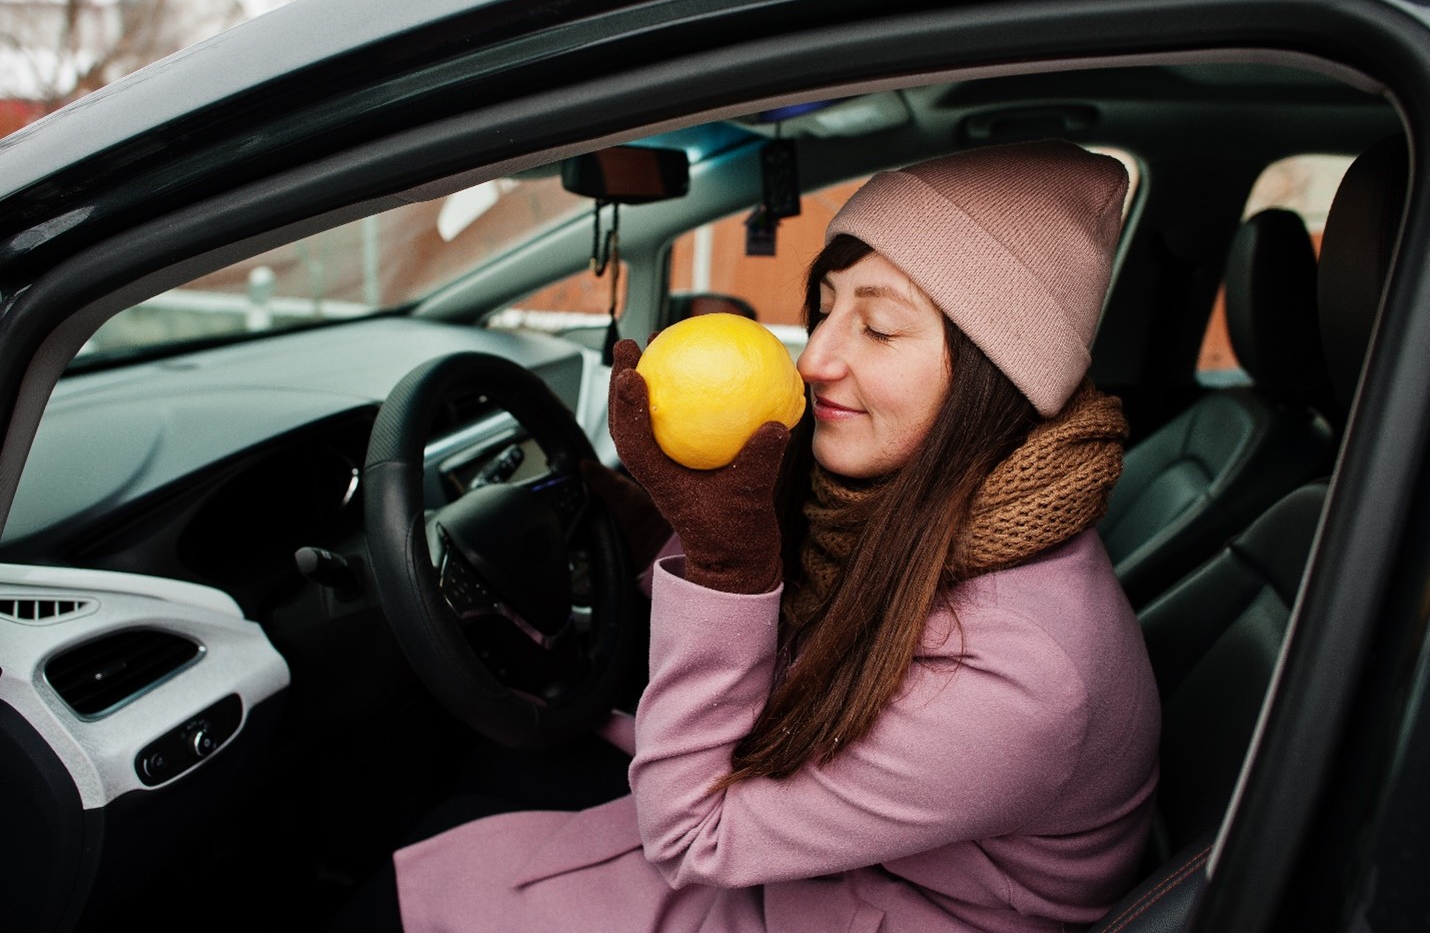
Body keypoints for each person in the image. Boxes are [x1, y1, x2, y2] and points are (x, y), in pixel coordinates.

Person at [385, 139, 1161, 932]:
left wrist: (728, 570)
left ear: (996, 376)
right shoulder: (919, 507)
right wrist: (658, 523)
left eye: (880, 329)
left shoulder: (1022, 676)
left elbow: (692, 838)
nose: (815, 359)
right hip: (826, 861)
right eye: (824, 311)